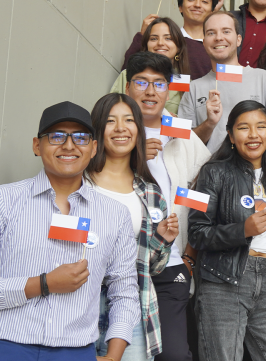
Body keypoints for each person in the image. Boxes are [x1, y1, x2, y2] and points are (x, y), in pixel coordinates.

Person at [0, 101, 139, 361]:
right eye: (56, 136)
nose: (69, 145)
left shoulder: (115, 215)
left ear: (93, 148)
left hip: (76, 352)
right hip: (3, 347)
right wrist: (42, 284)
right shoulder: (0, 201)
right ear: (37, 145)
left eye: (80, 137)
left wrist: (114, 356)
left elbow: (124, 292)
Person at [188, 100, 266, 361]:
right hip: (223, 281)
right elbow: (198, 232)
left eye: (261, 126)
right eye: (244, 128)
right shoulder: (213, 172)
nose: (253, 135)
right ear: (230, 135)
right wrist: (242, 230)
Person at [123, 51, 212, 361]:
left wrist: (190, 255)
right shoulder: (114, 132)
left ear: (169, 90)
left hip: (172, 265)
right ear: (127, 87)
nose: (150, 91)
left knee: (174, 354)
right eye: (142, 82)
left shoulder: (183, 135)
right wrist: (132, 158)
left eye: (159, 84)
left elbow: (207, 196)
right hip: (120, 265)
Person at [86, 93, 178, 361]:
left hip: (131, 305)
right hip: (79, 303)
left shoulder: (151, 193)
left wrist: (162, 240)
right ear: (98, 130)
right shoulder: (78, 183)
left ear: (138, 129)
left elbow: (152, 267)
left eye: (128, 120)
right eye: (110, 121)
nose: (120, 128)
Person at [178, 11, 266, 152]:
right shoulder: (193, 88)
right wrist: (209, 123)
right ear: (204, 43)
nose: (219, 38)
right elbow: (182, 145)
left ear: (238, 40)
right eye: (211, 33)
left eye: (226, 31)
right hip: (209, 171)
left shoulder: (262, 78)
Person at [124, 0, 223, 80]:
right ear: (180, 6)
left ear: (212, 10)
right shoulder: (165, 43)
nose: (197, 5)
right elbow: (127, 72)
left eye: (204, 1)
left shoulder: (218, 45)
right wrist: (142, 36)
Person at [111, 17, 190, 115]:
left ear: (178, 47)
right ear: (146, 45)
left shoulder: (187, 84)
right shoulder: (127, 74)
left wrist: (175, 120)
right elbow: (110, 110)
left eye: (168, 38)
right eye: (154, 38)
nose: (160, 43)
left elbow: (189, 121)